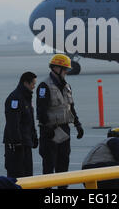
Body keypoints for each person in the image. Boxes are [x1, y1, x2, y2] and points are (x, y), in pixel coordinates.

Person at [36, 54, 84, 188]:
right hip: (50, 132)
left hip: (64, 130)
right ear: (56, 68)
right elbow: (41, 111)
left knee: (63, 165)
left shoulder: (67, 86)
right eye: (65, 70)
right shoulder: (44, 86)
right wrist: (47, 128)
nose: (66, 73)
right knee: (49, 167)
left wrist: (77, 124)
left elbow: (71, 107)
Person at [3, 71, 39, 178]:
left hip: (25, 142)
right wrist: (17, 142)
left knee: (28, 174)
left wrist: (34, 136)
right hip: (17, 145)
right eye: (33, 84)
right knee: (17, 174)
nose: (34, 87)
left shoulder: (26, 97)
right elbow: (13, 123)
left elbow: (29, 120)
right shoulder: (15, 98)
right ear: (26, 83)